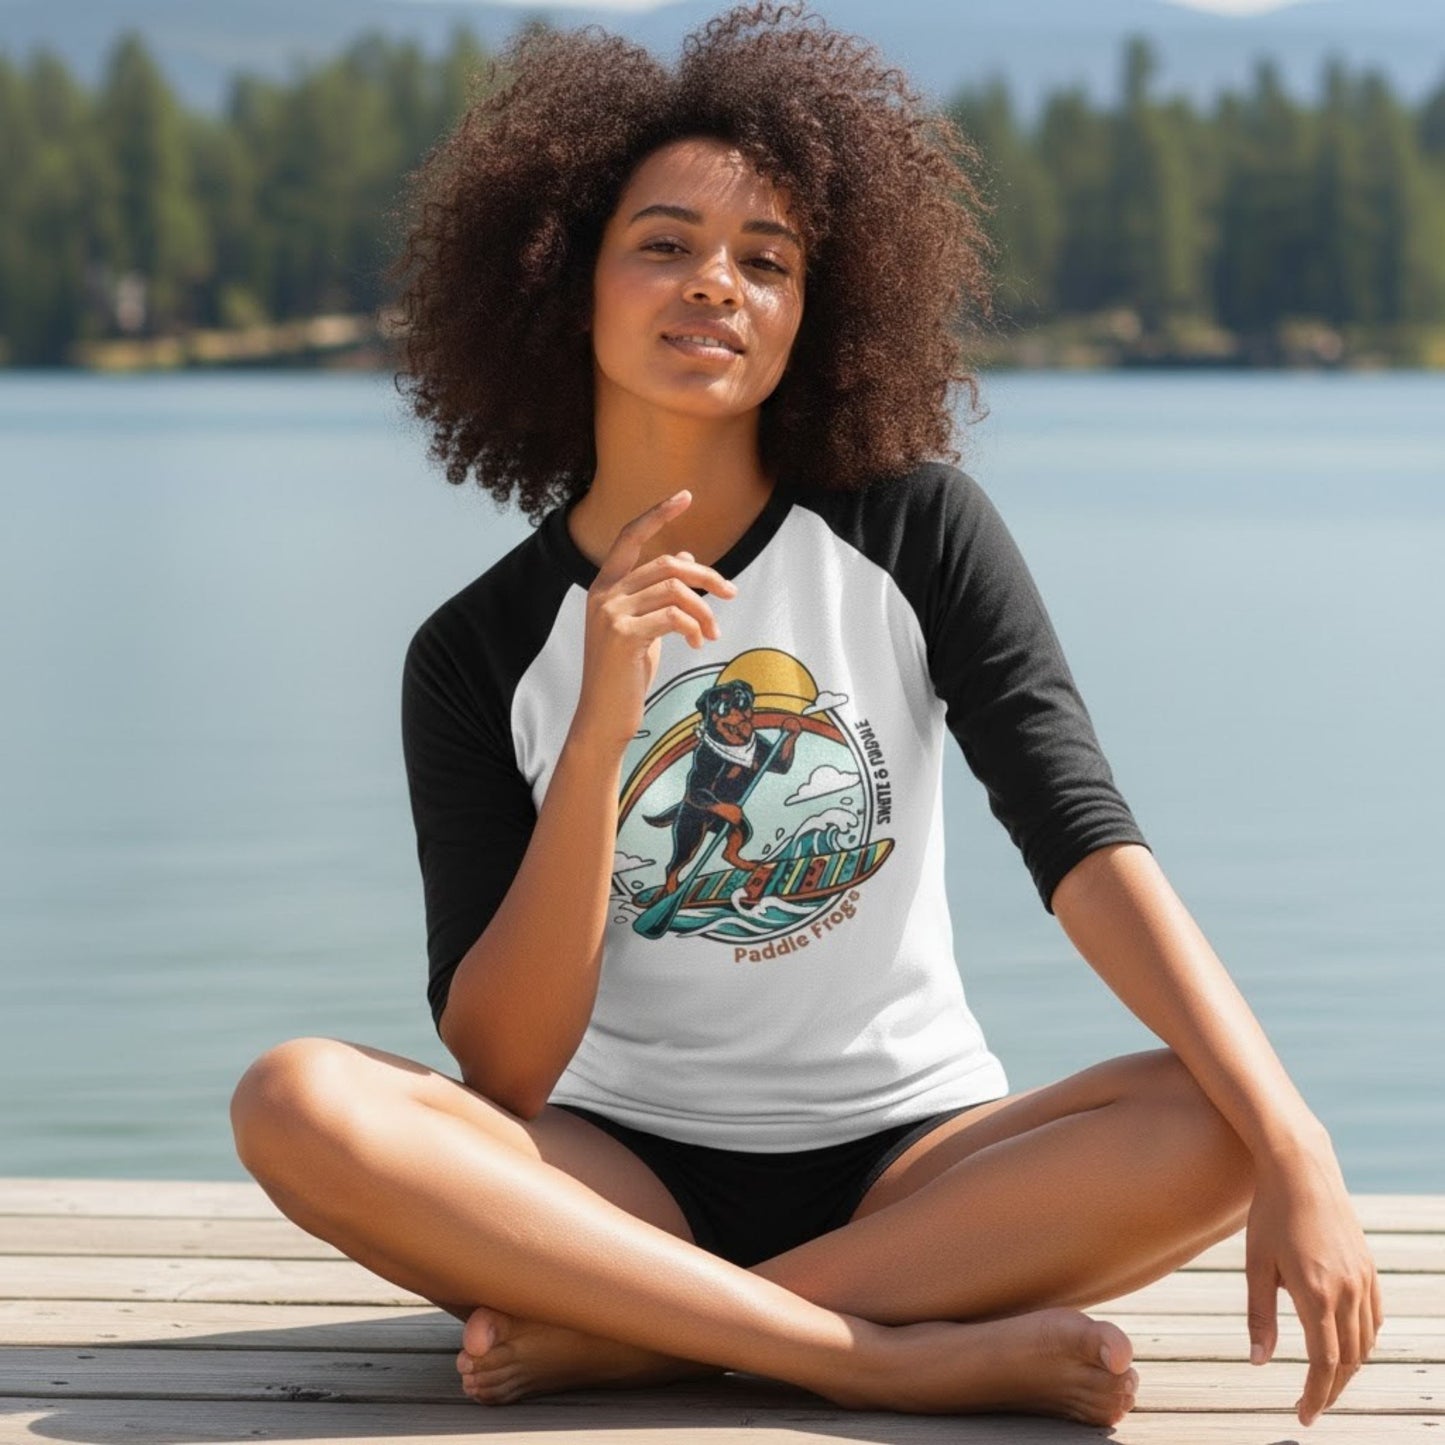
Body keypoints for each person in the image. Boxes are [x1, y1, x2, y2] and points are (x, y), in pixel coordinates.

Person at [229, 1, 1381, 1428]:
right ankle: (866, 1351)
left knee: (1216, 1110)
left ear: (806, 314)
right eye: (663, 244)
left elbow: (1082, 841)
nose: (716, 284)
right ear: (562, 285)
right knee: (295, 1099)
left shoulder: (913, 530)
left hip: (917, 1164)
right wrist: (603, 721)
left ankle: (657, 1330)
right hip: (610, 1170)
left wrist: (1296, 1138)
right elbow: (507, 1066)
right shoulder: (471, 651)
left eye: (763, 261)